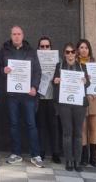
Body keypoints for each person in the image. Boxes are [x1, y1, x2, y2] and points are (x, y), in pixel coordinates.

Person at [0, 25, 44, 168]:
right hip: (12, 95)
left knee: (31, 124)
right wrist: (3, 70)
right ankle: (16, 153)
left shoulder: (31, 51)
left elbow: (37, 71)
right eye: (14, 34)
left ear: (23, 35)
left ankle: (35, 155)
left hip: (28, 95)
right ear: (11, 35)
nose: (16, 36)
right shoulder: (4, 50)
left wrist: (34, 87)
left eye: (19, 34)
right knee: (14, 124)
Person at [53, 42, 90, 172]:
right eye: (67, 52)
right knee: (67, 133)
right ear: (64, 54)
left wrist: (86, 82)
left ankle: (77, 161)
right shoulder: (59, 66)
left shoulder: (82, 66)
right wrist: (56, 81)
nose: (70, 54)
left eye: (72, 51)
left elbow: (88, 83)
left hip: (79, 104)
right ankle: (69, 160)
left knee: (78, 134)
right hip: (64, 104)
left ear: (76, 53)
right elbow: (54, 82)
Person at [77, 38, 96, 167]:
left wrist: (95, 93)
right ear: (78, 50)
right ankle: (84, 156)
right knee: (82, 128)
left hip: (94, 98)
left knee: (93, 127)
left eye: (86, 48)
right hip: (81, 99)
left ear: (89, 50)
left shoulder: (94, 64)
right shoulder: (75, 64)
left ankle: (93, 157)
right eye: (81, 47)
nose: (84, 50)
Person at [36, 36, 61, 164]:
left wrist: (58, 79)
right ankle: (41, 151)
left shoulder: (58, 61)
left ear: (51, 47)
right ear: (39, 48)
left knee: (54, 126)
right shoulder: (35, 61)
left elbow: (64, 77)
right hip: (39, 98)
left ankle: (55, 153)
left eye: (47, 46)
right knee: (41, 126)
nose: (45, 48)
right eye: (42, 46)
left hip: (53, 98)